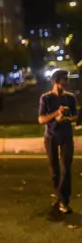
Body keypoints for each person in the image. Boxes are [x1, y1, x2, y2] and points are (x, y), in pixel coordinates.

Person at [38, 70, 79, 214]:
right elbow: (41, 119)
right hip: (51, 137)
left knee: (66, 168)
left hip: (66, 136)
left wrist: (67, 117)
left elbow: (76, 117)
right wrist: (56, 114)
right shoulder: (46, 98)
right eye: (65, 80)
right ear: (56, 81)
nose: (67, 82)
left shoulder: (70, 98)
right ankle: (59, 196)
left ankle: (64, 201)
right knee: (54, 170)